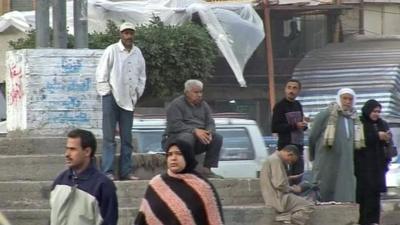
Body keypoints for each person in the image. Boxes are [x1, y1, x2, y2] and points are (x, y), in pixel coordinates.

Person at [96, 22, 146, 180]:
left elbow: (142, 76)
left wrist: (136, 94)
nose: (128, 36)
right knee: (109, 138)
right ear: (121, 34)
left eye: (131, 33)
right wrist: (107, 93)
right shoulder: (112, 50)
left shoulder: (137, 52)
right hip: (111, 97)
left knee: (127, 138)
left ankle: (126, 172)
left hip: (128, 100)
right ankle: (108, 171)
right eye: (126, 33)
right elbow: (101, 73)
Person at [134, 140, 224, 225]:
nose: (173, 158)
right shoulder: (156, 184)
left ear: (187, 156)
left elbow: (214, 220)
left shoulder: (203, 187)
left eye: (179, 154)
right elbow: (143, 218)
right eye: (170, 154)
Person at [50, 129, 118, 225]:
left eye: (73, 149)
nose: (67, 154)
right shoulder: (59, 182)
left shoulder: (103, 186)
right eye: (67, 149)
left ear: (87, 151)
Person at [309, 88, 365, 202]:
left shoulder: (353, 118)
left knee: (344, 191)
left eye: (350, 99)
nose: (347, 102)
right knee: (324, 190)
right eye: (344, 98)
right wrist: (313, 156)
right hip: (326, 160)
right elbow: (312, 136)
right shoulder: (326, 114)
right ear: (339, 99)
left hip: (345, 162)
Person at [164, 79, 223, 178]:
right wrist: (194, 131)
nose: (199, 95)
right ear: (187, 92)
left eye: (201, 92)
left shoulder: (204, 105)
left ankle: (207, 169)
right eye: (196, 92)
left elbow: (210, 122)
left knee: (217, 138)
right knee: (187, 137)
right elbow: (175, 125)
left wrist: (208, 132)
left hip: (198, 140)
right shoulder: (176, 105)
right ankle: (186, 169)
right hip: (176, 138)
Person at [355, 99, 392, 225]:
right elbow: (358, 141)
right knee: (365, 195)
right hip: (364, 166)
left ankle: (374, 221)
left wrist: (386, 139)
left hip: (378, 166)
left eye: (378, 111)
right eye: (374, 111)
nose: (376, 114)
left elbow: (388, 143)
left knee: (375, 195)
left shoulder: (382, 123)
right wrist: (377, 136)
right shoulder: (360, 123)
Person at [260, 144, 314, 225]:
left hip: (273, 196)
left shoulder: (272, 158)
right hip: (278, 199)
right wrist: (293, 189)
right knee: (308, 205)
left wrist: (289, 178)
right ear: (289, 154)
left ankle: (287, 217)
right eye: (290, 161)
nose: (289, 163)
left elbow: (274, 178)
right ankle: (286, 218)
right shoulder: (276, 160)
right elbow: (279, 184)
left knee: (303, 201)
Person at [271, 79, 307, 185]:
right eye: (289, 87)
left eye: (294, 88)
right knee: (284, 179)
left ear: (299, 91)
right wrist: (295, 126)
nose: (291, 90)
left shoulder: (298, 105)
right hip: (285, 148)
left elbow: (300, 124)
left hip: (298, 147)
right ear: (285, 89)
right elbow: (275, 127)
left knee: (298, 178)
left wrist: (303, 125)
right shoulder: (280, 106)